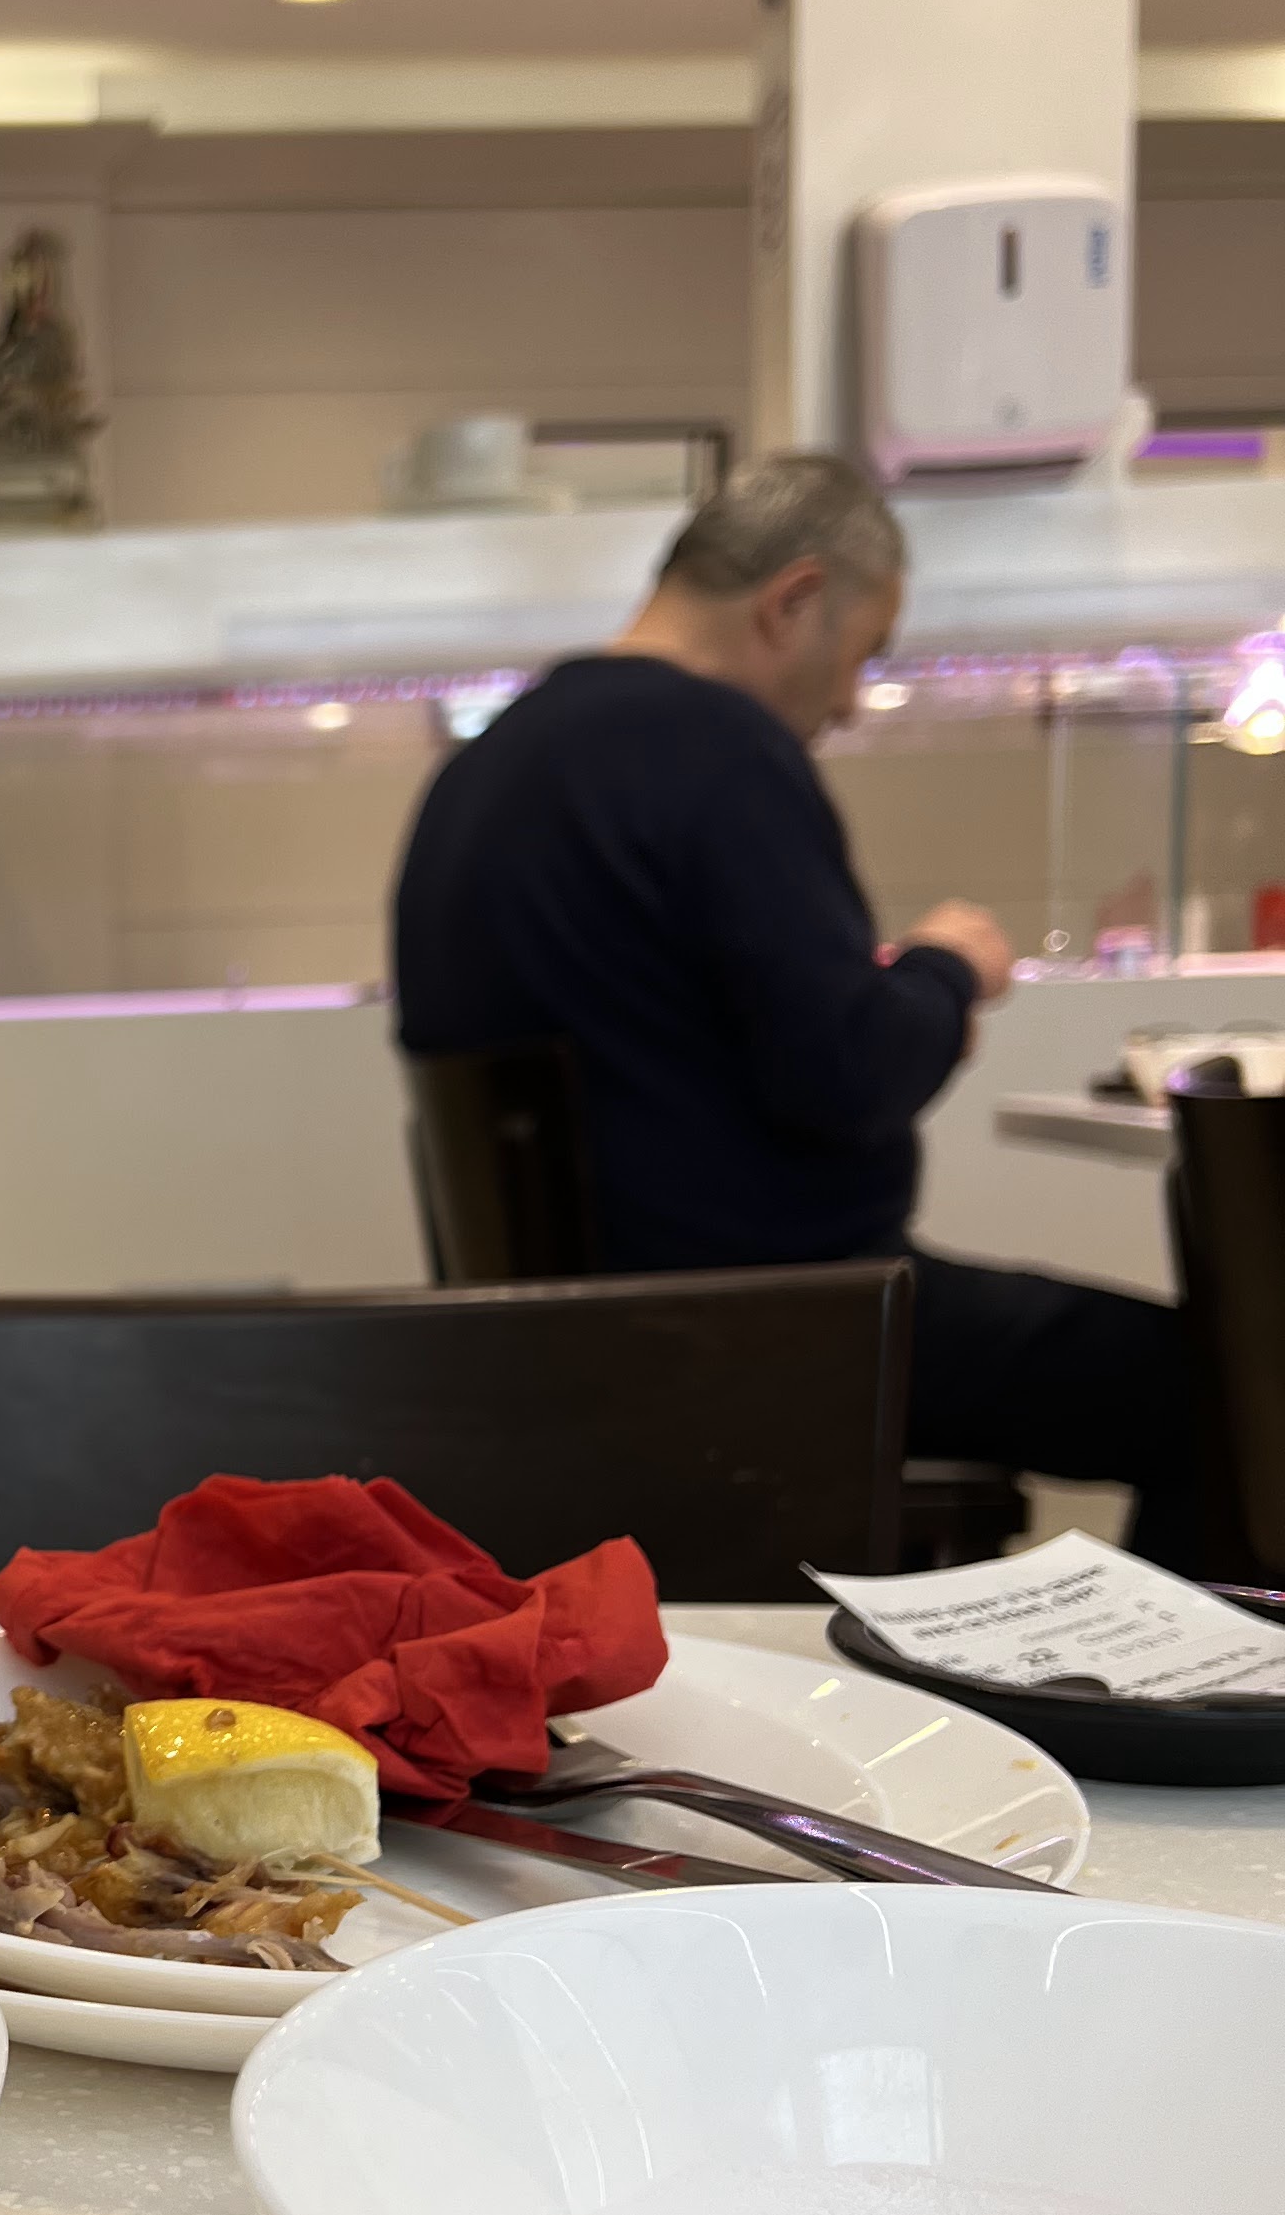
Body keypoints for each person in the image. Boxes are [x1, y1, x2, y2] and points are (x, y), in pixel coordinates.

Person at [390, 448, 1207, 1563]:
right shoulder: (718, 749)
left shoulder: (483, 769)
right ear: (794, 601)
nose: (853, 704)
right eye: (862, 653)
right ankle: (1171, 1684)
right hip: (785, 1328)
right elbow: (849, 1072)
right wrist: (946, 968)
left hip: (574, 1342)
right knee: (1230, 1390)